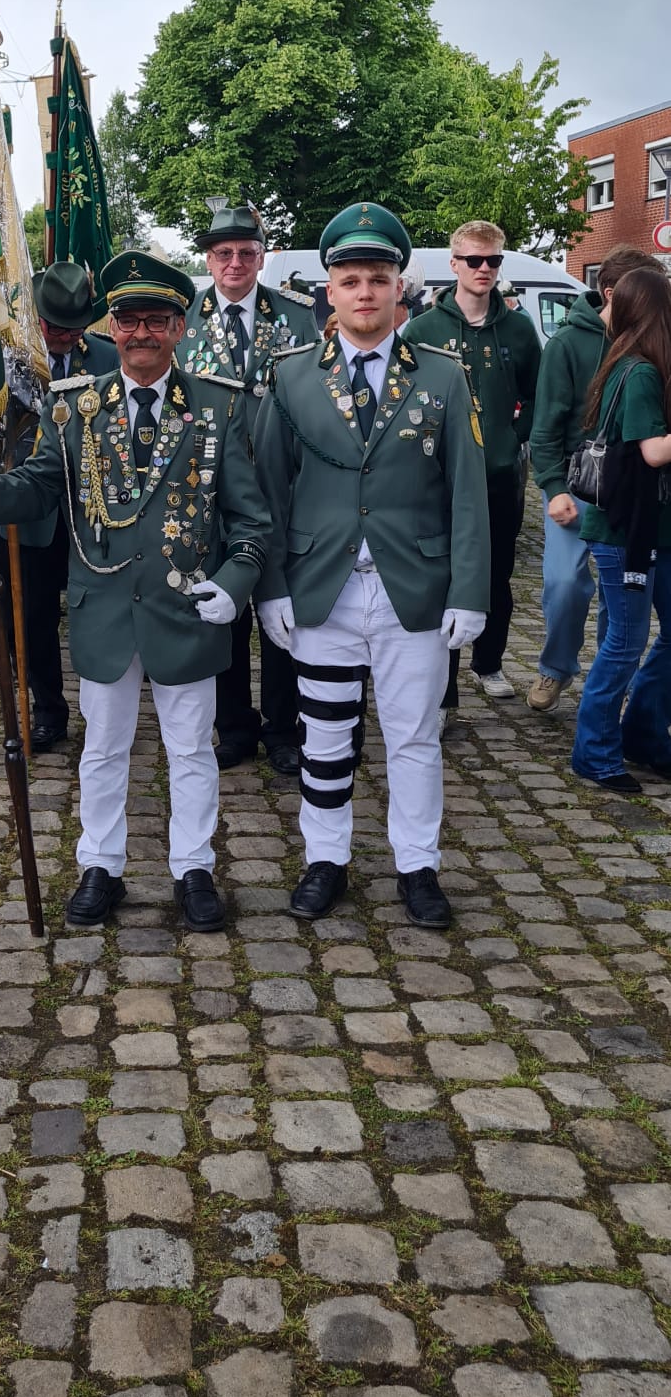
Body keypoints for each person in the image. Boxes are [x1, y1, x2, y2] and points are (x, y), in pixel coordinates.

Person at [0, 250, 270, 932]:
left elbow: (250, 520)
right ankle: (100, 863)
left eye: (156, 321)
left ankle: (194, 867)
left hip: (186, 607)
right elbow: (42, 486)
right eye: (128, 321)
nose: (141, 334)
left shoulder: (219, 406)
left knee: (191, 749)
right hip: (102, 607)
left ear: (179, 328)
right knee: (101, 747)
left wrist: (234, 582)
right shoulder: (74, 408)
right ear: (113, 328)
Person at [253, 202, 489, 930]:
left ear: (399, 288)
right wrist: (270, 587)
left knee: (414, 738)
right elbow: (267, 492)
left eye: (378, 279)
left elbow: (468, 492)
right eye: (350, 280)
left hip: (411, 590)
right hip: (320, 589)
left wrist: (470, 591)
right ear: (330, 290)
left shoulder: (443, 377)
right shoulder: (292, 377)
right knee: (324, 737)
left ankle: (418, 866)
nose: (364, 292)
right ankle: (325, 859)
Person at [175, 202, 317, 772]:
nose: (234, 262)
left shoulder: (297, 315)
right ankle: (233, 726)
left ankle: (283, 728)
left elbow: (312, 392)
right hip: (211, 488)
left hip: (282, 485)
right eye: (223, 253)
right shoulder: (183, 317)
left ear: (262, 257)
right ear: (209, 260)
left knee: (282, 606)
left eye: (246, 252)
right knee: (222, 607)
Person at [407, 220, 540, 719]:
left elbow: (538, 393)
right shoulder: (423, 330)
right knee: (442, 576)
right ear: (455, 264)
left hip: (499, 475)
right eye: (474, 260)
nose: (484, 269)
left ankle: (489, 662)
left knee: (496, 575)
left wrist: (513, 435)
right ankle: (443, 694)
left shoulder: (519, 329)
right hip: (439, 479)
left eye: (493, 261)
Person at [528, 245, 662, 711]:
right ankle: (555, 668)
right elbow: (545, 425)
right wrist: (553, 488)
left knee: (619, 593)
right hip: (578, 483)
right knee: (564, 584)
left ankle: (611, 680)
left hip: (631, 488)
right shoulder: (567, 343)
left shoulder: (651, 342)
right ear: (613, 293)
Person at [570, 266, 671, 793]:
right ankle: (594, 752)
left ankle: (644, 733)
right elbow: (653, 452)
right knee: (624, 644)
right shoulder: (640, 372)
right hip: (622, 533)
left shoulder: (635, 364)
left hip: (652, 530)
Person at [15, 261, 118, 750]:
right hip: (32, 511)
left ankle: (105, 710)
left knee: (97, 614)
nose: (64, 336)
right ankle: (48, 711)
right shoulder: (12, 357)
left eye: (73, 327)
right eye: (54, 326)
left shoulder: (105, 356)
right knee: (34, 617)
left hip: (93, 510)